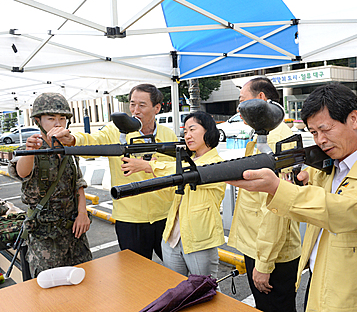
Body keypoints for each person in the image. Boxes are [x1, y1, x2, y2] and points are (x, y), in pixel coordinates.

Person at [228, 82, 357, 312]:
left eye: (326, 129)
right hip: (317, 286)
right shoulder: (327, 166)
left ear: (354, 119)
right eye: (314, 132)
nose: (320, 140)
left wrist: (278, 188)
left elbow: (345, 210)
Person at [53, 84, 177, 260]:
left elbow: (175, 171)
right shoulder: (116, 129)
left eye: (142, 105)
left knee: (174, 272)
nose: (135, 110)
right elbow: (93, 141)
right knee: (135, 274)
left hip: (165, 215)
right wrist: (72, 139)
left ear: (157, 108)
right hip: (130, 218)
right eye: (132, 104)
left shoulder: (168, 134)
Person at [227, 77, 301, 312]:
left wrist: (264, 263)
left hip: (272, 254)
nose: (238, 109)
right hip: (259, 247)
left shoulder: (276, 138)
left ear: (261, 100)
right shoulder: (263, 132)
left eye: (242, 101)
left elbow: (277, 208)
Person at [8, 93, 92, 277]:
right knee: (51, 288)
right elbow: (22, 172)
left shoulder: (67, 148)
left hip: (74, 231)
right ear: (38, 121)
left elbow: (78, 182)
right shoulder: (32, 148)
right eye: (51, 118)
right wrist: (30, 152)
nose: (58, 124)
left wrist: (83, 213)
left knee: (84, 277)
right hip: (46, 237)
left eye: (62, 118)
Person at [149, 111, 225, 278]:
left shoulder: (216, 164)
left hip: (199, 240)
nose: (188, 136)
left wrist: (149, 166)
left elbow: (192, 173)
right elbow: (173, 196)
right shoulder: (186, 162)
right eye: (185, 132)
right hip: (172, 237)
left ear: (208, 131)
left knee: (204, 291)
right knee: (176, 288)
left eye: (192, 129)